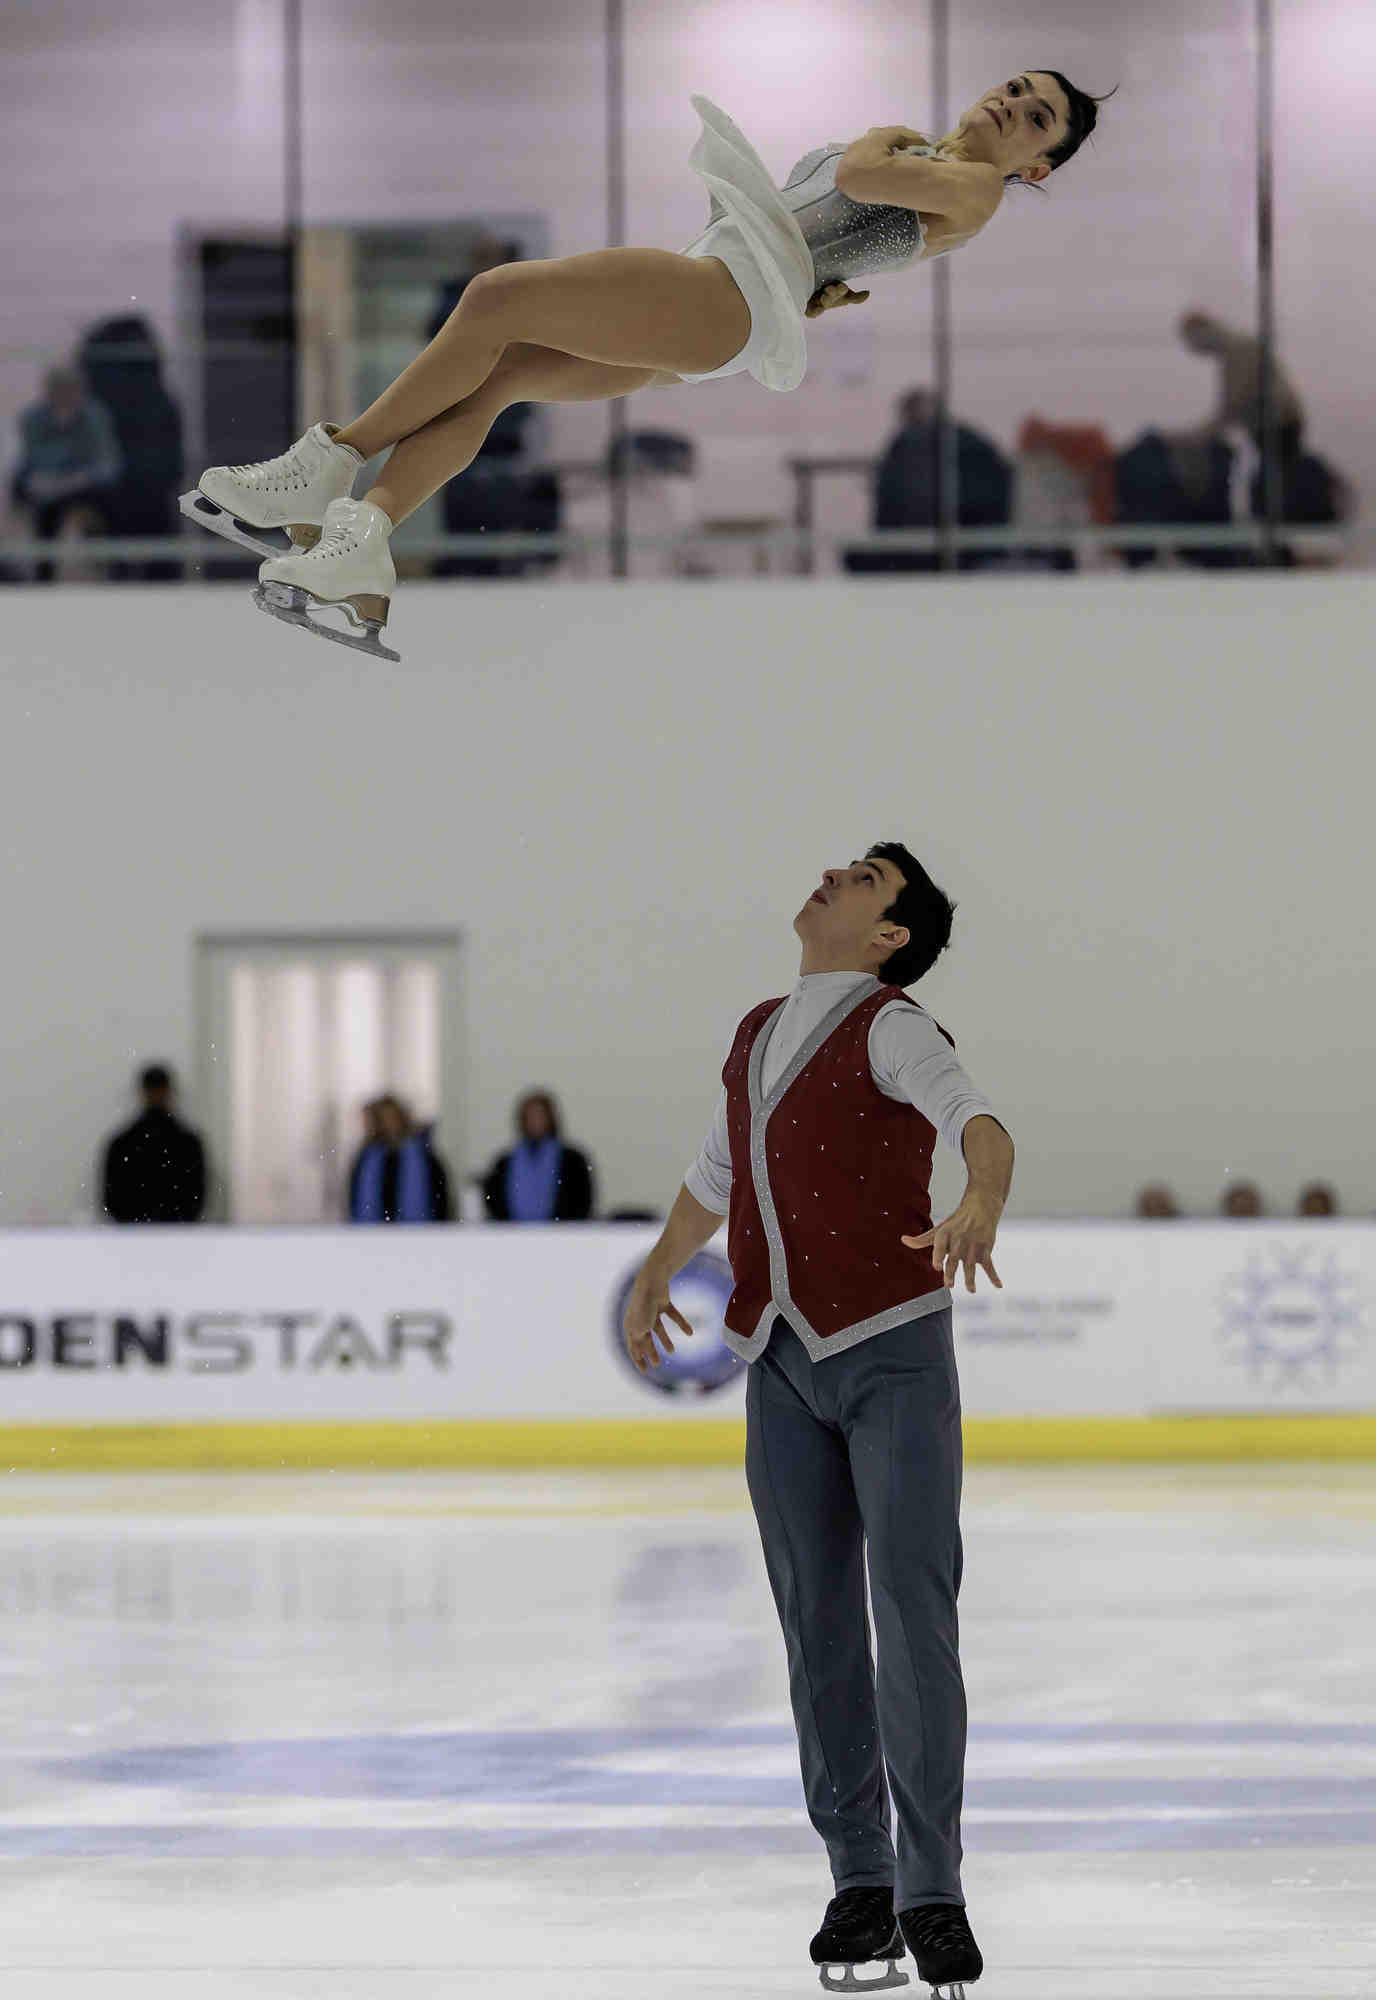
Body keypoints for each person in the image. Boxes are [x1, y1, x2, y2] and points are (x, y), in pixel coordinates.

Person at [181, 72, 1107, 655]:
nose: (1011, 106)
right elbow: (839, 232)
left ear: (1037, 168)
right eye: (1019, 88)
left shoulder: (973, 184)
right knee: (497, 374)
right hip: (724, 312)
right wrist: (820, 277)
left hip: (721, 294)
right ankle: (363, 542)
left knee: (495, 296)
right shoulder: (949, 171)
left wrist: (877, 140)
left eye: (1035, 120)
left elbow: (861, 181)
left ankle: (327, 465)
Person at [622, 843, 1013, 1996]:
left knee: (909, 1605)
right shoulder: (753, 1032)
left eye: (864, 879)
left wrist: (978, 1197)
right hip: (778, 1360)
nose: (832, 875)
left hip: (887, 1353)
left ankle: (930, 1889)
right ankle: (859, 1877)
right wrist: (656, 1269)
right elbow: (715, 1174)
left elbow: (975, 1120)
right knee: (816, 1622)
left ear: (887, 934)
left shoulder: (895, 1025)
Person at [11, 365, 122, 582]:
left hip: (85, 485)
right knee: (39, 506)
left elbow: (108, 466)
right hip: (49, 486)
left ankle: (110, 569)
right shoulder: (33, 419)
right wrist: (41, 481)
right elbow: (31, 460)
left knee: (112, 501)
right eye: (58, 391)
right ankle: (43, 575)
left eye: (69, 391)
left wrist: (73, 480)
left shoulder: (95, 416)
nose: (64, 397)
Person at [100, 1063, 207, 1224]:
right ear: (170, 1091)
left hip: (134, 1234)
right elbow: (195, 1199)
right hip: (176, 1234)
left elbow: (113, 1199)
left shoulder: (122, 1142)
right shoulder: (188, 1142)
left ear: (141, 1092)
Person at [481, 1090, 596, 1222]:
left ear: (551, 1118)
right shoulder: (503, 1163)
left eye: (540, 1115)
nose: (535, 1121)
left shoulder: (573, 1161)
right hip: (513, 1236)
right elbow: (494, 1203)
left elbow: (582, 1203)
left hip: (561, 1236)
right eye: (530, 1116)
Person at [347, 1094, 453, 1222]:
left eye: (392, 1117)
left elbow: (440, 1197)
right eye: (383, 1118)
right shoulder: (366, 1158)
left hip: (419, 1233)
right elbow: (354, 1198)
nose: (389, 1123)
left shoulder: (424, 1157)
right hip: (374, 1232)